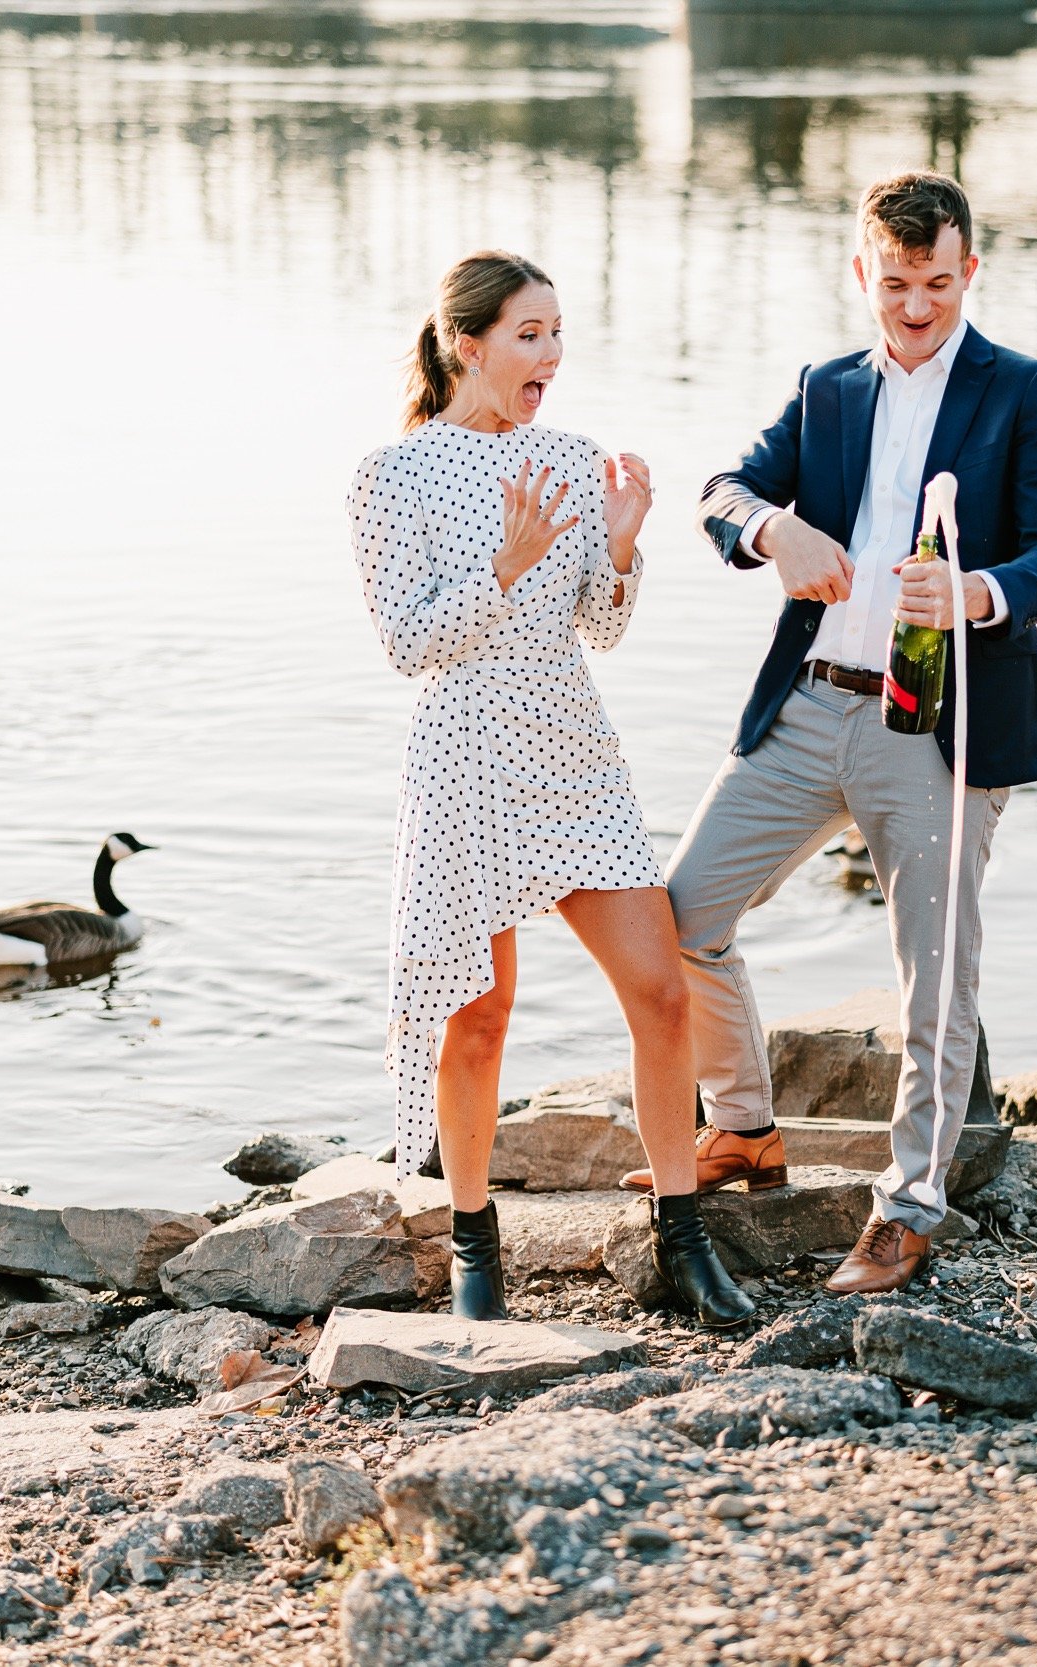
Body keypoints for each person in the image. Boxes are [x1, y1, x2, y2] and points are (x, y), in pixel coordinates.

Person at [628, 172, 1037, 1295]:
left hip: (937, 721)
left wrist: (978, 591)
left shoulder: (1025, 389)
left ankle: (910, 1202)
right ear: (861, 273)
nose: (916, 306)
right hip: (808, 701)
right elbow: (720, 490)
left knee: (932, 976)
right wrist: (771, 530)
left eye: (937, 282)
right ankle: (743, 1126)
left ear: (969, 271)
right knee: (682, 917)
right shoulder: (826, 388)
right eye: (895, 283)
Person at [347, 250, 755, 1329]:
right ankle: (477, 1246)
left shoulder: (572, 459)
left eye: (558, 333)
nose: (552, 356)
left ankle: (681, 1238)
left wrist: (618, 546)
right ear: (465, 344)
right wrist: (506, 564)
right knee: (477, 1018)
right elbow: (407, 643)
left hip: (572, 745)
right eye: (530, 335)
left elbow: (600, 628)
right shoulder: (390, 476)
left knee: (660, 988)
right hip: (467, 752)